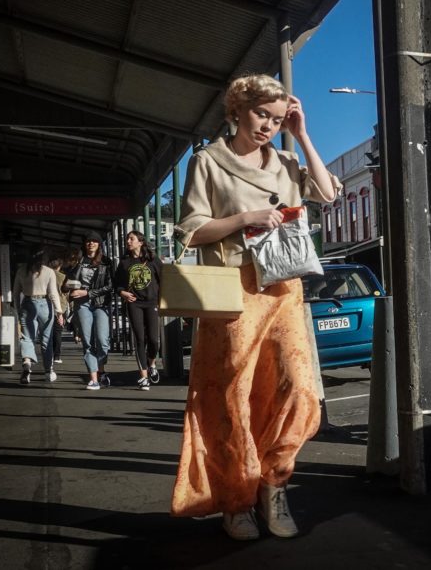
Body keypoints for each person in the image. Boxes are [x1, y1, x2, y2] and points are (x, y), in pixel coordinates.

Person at [171, 74, 340, 541]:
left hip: (284, 288)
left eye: (277, 117)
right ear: (238, 110)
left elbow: (327, 193)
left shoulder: (287, 160)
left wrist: (302, 134)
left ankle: (273, 481)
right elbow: (189, 229)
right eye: (261, 114)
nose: (268, 124)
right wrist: (245, 219)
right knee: (232, 399)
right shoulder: (208, 161)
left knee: (299, 391)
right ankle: (237, 500)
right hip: (234, 291)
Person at [64, 231, 114, 391]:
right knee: (87, 341)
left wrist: (87, 292)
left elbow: (110, 286)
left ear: (99, 244)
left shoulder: (107, 262)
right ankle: (94, 379)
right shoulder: (79, 261)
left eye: (94, 241)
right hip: (82, 304)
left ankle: (101, 370)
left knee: (102, 341)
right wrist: (69, 288)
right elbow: (66, 282)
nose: (91, 243)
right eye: (88, 241)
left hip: (100, 304)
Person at [114, 230, 163, 391]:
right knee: (140, 339)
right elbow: (117, 284)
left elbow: (164, 280)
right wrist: (123, 293)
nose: (128, 241)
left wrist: (163, 300)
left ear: (140, 242)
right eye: (127, 239)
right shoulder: (124, 263)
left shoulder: (153, 260)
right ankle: (143, 377)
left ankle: (152, 363)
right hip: (134, 303)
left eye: (131, 239)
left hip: (151, 302)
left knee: (154, 340)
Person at [12, 247, 64, 385]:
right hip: (45, 305)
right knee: (46, 340)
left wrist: (18, 309)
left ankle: (27, 365)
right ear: (44, 259)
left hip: (27, 304)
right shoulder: (49, 272)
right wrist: (59, 312)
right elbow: (53, 293)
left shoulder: (21, 270)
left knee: (27, 338)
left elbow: (16, 293)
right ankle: (48, 371)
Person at [48, 254, 71, 366]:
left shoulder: (46, 276)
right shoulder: (63, 277)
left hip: (47, 305)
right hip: (61, 306)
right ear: (60, 266)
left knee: (47, 331)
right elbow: (67, 293)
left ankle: (48, 354)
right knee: (58, 332)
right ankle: (56, 356)